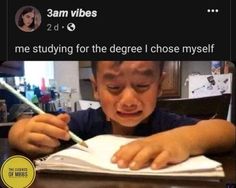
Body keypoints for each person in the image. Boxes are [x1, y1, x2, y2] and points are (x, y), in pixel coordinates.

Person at [8, 61, 235, 170]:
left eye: (142, 85)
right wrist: (22, 132)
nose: (128, 100)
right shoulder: (84, 122)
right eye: (114, 87)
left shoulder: (167, 124)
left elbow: (227, 131)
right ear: (96, 88)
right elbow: (20, 128)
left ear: (159, 86)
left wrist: (182, 140)